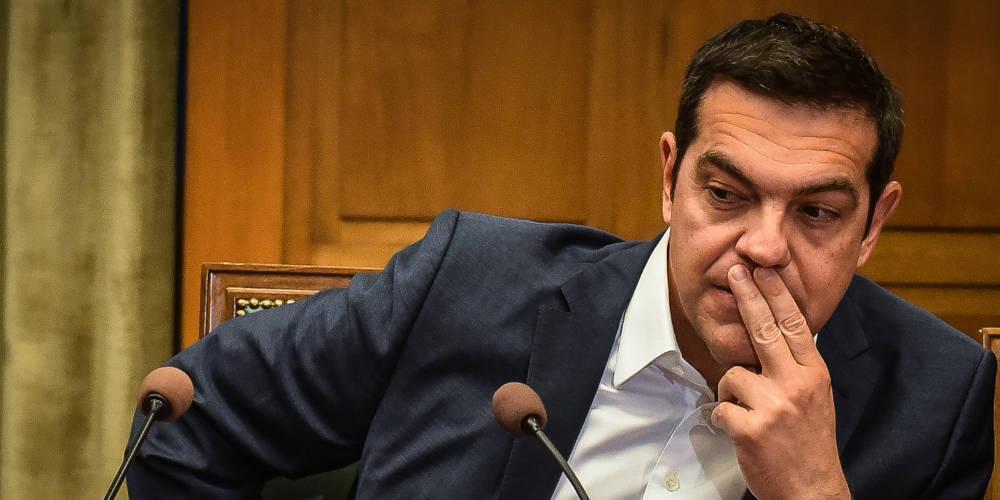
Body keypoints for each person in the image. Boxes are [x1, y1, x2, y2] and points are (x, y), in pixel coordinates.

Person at [127, 13, 995, 499]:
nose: (763, 247)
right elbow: (186, 426)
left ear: (873, 225)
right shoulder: (466, 282)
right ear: (670, 179)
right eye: (727, 196)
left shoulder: (936, 403)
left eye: (817, 213)